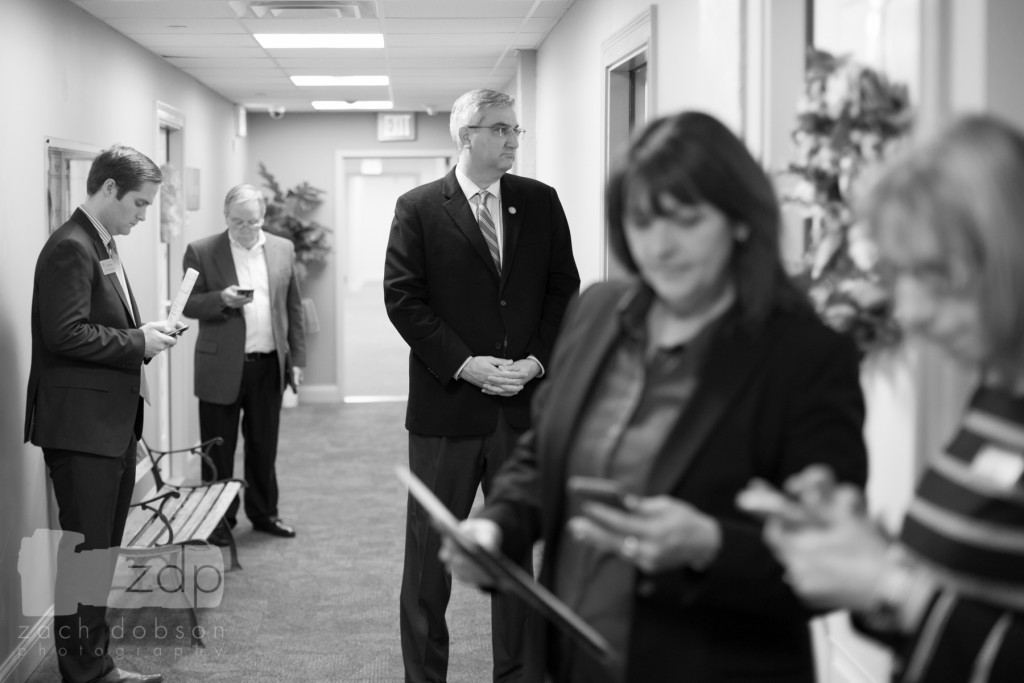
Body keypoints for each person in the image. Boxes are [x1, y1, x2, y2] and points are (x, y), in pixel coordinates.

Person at [443, 111, 869, 683]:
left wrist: (710, 545)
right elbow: (544, 456)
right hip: (573, 655)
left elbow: (831, 560)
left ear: (740, 220)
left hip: (712, 662)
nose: (660, 246)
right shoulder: (599, 312)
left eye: (685, 221)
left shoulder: (805, 356)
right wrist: (496, 528)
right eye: (641, 222)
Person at [740, 114, 1024, 683]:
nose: (911, 311)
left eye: (936, 274)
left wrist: (894, 587)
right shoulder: (995, 395)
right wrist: (860, 555)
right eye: (899, 277)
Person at [384, 88, 581, 683]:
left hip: (521, 407)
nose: (513, 141)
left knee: (514, 556)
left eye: (517, 131)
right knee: (428, 559)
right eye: (501, 130)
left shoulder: (539, 202)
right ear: (466, 136)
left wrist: (537, 363)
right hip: (448, 407)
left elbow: (561, 290)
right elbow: (404, 299)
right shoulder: (419, 206)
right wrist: (465, 364)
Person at [24, 144, 178, 683]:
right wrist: (138, 341)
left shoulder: (99, 240)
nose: (143, 216)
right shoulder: (71, 245)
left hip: (106, 426)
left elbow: (97, 323)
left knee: (99, 555)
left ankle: (97, 665)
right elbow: (63, 333)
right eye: (138, 204)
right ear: (108, 189)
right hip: (80, 430)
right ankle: (85, 673)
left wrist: (143, 332)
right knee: (87, 556)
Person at [182, 183, 306, 541]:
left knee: (263, 445)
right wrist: (220, 299)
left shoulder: (283, 249)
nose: (246, 230)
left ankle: (265, 512)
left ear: (263, 218)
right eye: (238, 223)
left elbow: (292, 308)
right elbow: (187, 305)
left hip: (268, 364)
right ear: (226, 218)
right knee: (218, 449)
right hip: (220, 367)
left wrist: (296, 359)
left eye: (252, 223)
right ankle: (218, 520)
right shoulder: (202, 251)